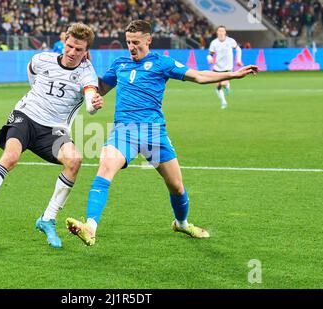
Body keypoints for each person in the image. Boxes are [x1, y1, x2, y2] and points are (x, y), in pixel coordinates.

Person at [66, 20, 258, 246]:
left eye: (136, 42)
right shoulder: (120, 64)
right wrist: (89, 82)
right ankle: (90, 227)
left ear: (148, 40)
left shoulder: (162, 63)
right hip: (124, 131)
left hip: (154, 133)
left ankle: (182, 224)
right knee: (105, 167)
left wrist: (232, 75)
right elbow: (99, 88)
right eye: (128, 42)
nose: (131, 47)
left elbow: (198, 76)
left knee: (176, 186)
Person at [0, 23, 104, 249]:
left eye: (78, 50)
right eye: (69, 46)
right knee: (10, 157)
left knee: (74, 160)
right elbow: (31, 70)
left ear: (86, 51)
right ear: (64, 41)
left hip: (55, 129)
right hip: (26, 116)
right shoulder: (43, 59)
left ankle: (47, 219)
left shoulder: (87, 73)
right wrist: (36, 98)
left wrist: (94, 104)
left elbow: (89, 103)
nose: (72, 53)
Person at [207, 26, 243, 109]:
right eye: (219, 31)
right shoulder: (214, 43)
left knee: (223, 83)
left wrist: (238, 60)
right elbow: (210, 54)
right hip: (217, 67)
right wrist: (210, 59)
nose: (220, 32)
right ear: (217, 32)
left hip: (228, 67)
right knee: (217, 86)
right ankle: (224, 102)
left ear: (225, 32)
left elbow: (238, 49)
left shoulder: (230, 41)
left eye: (222, 31)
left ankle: (227, 86)